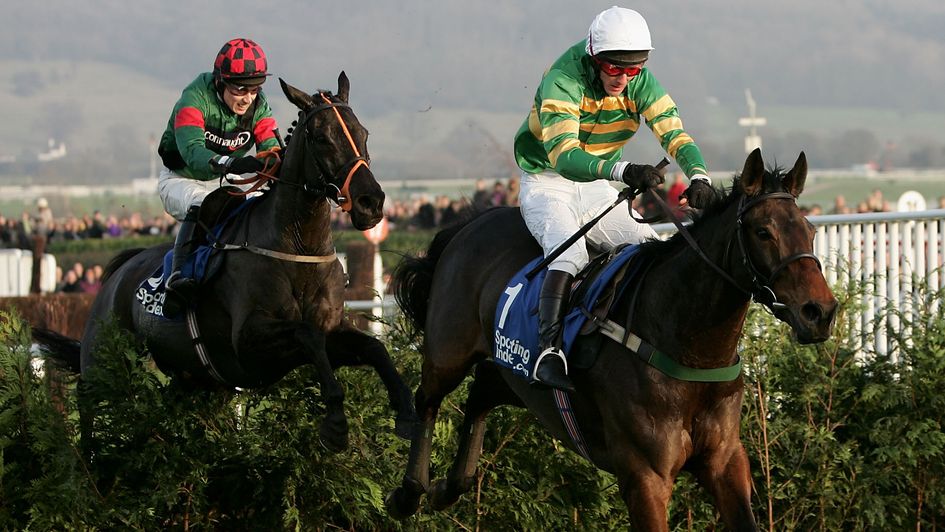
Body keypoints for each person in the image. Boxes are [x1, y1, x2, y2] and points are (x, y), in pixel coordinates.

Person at [512, 6, 716, 392]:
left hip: (596, 183)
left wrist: (699, 176)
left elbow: (675, 133)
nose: (623, 78)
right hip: (547, 179)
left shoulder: (641, 81)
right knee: (570, 254)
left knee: (647, 248)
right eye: (614, 68)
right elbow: (564, 157)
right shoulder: (563, 79)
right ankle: (548, 352)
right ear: (595, 58)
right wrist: (624, 171)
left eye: (633, 70)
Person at [157, 38, 281, 316]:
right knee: (204, 203)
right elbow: (192, 152)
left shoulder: (258, 106)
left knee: (263, 204)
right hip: (182, 179)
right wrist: (231, 163)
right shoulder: (193, 98)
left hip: (225, 181)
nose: (248, 98)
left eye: (255, 89)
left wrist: (278, 163)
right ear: (220, 81)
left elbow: (270, 147)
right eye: (240, 89)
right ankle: (176, 277)